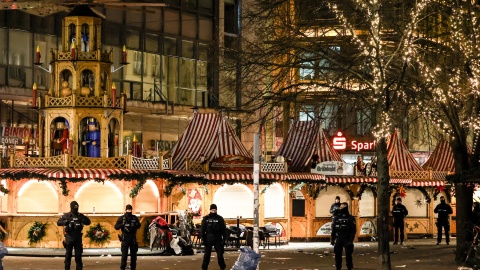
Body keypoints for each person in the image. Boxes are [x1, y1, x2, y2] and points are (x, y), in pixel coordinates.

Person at [57, 201, 91, 270]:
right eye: (74, 208)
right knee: (68, 256)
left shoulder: (80, 216)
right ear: (71, 208)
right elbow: (58, 222)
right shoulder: (67, 215)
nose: (76, 209)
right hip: (69, 237)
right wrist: (65, 222)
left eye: (77, 208)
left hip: (78, 238)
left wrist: (82, 220)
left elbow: (88, 222)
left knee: (78, 256)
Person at [115, 204, 141, 270]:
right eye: (128, 210)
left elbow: (139, 226)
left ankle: (133, 267)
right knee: (124, 254)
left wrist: (135, 224)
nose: (129, 211)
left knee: (133, 255)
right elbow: (116, 227)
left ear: (131, 210)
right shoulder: (122, 218)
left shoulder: (134, 218)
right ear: (125, 210)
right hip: (125, 238)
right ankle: (123, 267)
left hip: (132, 238)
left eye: (130, 210)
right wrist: (122, 224)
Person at [201, 204, 227, 270]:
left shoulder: (219, 218)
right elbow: (202, 230)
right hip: (209, 237)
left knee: (220, 255)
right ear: (210, 210)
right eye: (212, 210)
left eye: (214, 210)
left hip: (217, 237)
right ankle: (204, 267)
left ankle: (222, 267)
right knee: (207, 255)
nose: (213, 211)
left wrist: (224, 239)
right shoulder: (206, 218)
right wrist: (203, 239)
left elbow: (224, 229)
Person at [331, 202, 356, 270]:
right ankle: (338, 266)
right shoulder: (336, 218)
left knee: (348, 254)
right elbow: (333, 230)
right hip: (339, 237)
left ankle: (349, 266)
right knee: (337, 253)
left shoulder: (350, 218)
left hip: (347, 238)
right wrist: (332, 239)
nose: (340, 209)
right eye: (340, 207)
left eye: (342, 208)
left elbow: (353, 230)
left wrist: (351, 240)